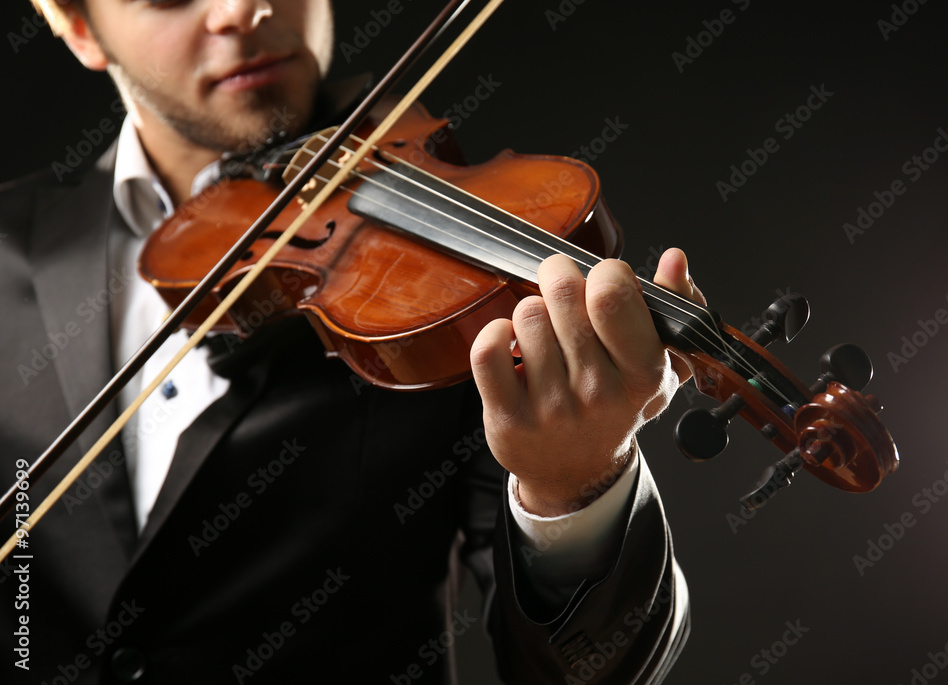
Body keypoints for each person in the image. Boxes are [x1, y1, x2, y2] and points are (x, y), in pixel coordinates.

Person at [0, 1, 704, 682]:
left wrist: (577, 488)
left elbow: (579, 670)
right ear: (78, 25)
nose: (242, 9)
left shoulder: (466, 280)